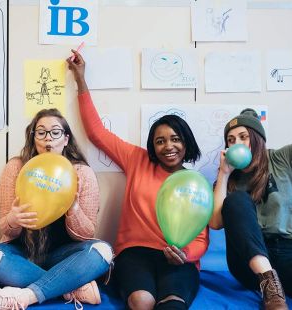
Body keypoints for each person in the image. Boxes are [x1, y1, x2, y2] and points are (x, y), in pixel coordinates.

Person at [68, 50, 209, 310]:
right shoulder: (137, 159)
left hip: (179, 258)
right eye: (160, 140)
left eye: (175, 139)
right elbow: (97, 132)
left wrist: (185, 255)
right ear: (152, 146)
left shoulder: (195, 183)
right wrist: (80, 79)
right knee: (141, 302)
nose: (169, 146)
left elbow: (200, 238)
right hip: (135, 253)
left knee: (173, 305)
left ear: (186, 143)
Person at [210, 87, 292, 309]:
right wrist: (223, 174)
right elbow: (215, 223)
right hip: (249, 264)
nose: (236, 143)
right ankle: (270, 286)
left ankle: (280, 286)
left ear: (257, 138)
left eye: (243, 137)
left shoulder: (283, 158)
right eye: (230, 140)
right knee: (236, 200)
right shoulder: (228, 178)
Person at [0, 108, 113, 310]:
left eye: (55, 132)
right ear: (33, 138)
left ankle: (28, 295)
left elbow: (87, 234)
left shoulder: (81, 173)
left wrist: (73, 209)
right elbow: (6, 229)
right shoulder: (16, 167)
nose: (48, 139)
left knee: (103, 251)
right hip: (23, 255)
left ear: (66, 139)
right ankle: (70, 288)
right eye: (41, 132)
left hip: (65, 257)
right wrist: (13, 220)